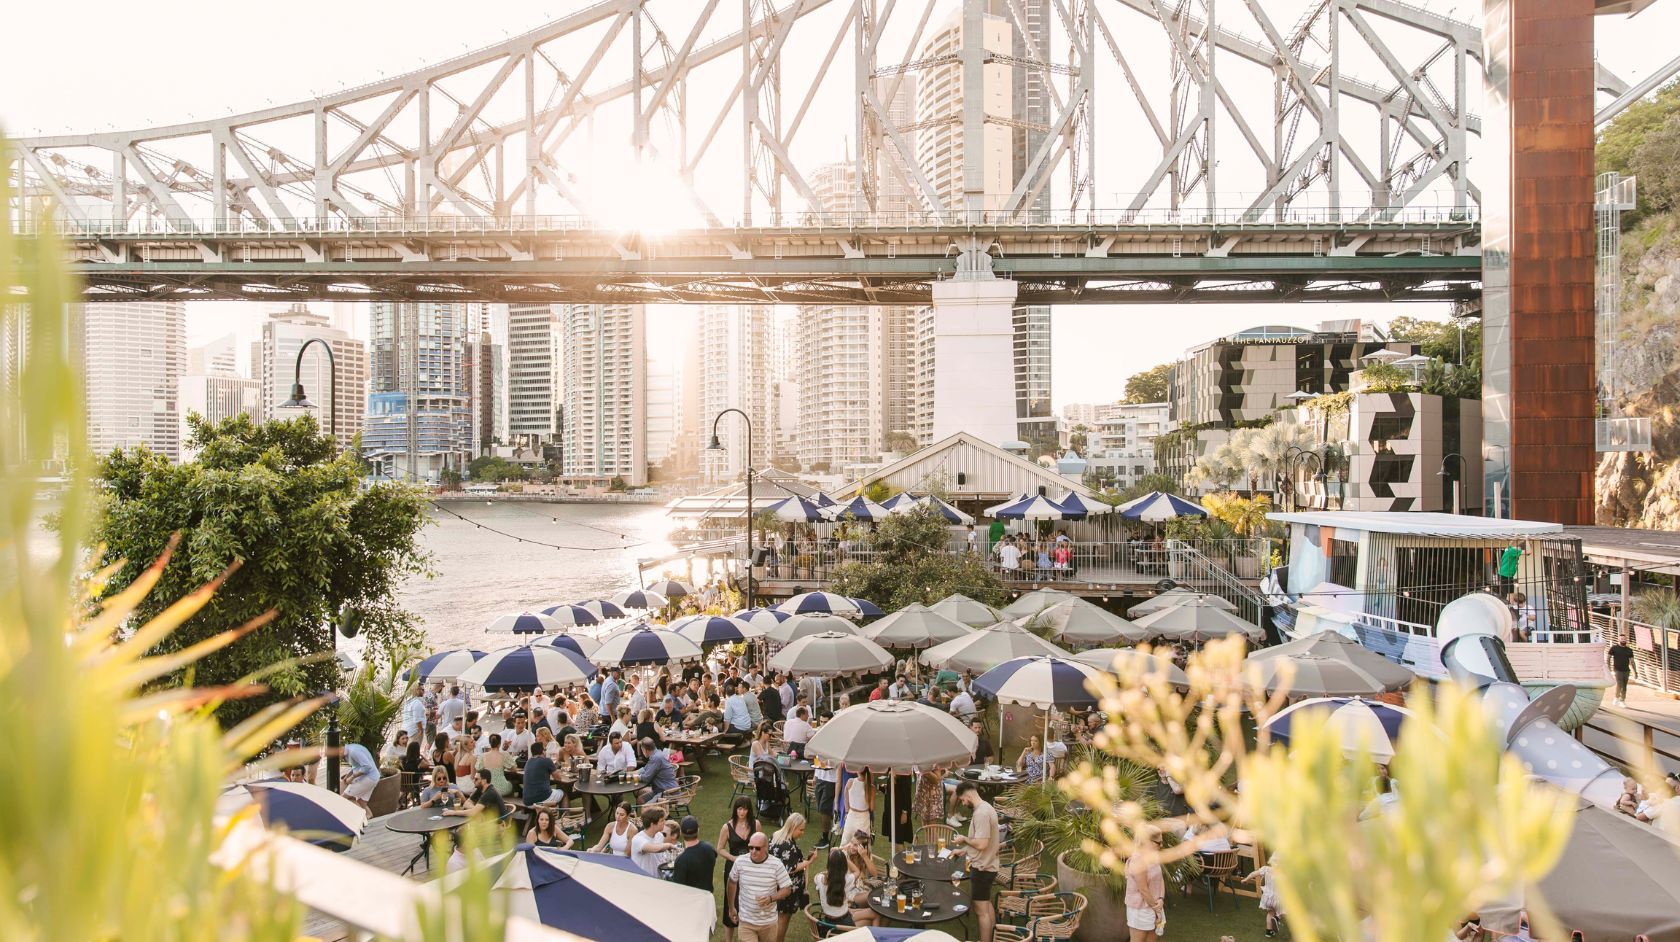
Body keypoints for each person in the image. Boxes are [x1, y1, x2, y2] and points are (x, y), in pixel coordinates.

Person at [950, 781, 999, 942]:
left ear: (969, 795)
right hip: (990, 863)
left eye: (963, 800)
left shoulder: (981, 814)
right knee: (986, 904)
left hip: (983, 868)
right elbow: (980, 841)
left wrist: (964, 838)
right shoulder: (985, 807)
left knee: (980, 911)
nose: (963, 803)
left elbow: (982, 844)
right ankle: (992, 937)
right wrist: (964, 850)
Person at [727, 832, 794, 942]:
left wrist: (770, 899)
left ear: (766, 848)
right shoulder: (740, 861)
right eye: (750, 847)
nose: (753, 851)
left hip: (768, 923)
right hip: (746, 922)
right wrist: (731, 907)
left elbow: (787, 889)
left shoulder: (776, 864)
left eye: (757, 848)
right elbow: (732, 882)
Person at [768, 814, 814, 941]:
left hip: (775, 884)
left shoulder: (775, 836)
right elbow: (791, 868)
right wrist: (809, 862)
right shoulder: (788, 845)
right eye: (801, 829)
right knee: (783, 918)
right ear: (793, 827)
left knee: (777, 917)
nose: (802, 833)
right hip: (787, 888)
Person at [719, 798, 760, 942]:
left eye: (745, 809)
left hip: (751, 867)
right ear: (735, 809)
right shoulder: (727, 827)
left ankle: (748, 936)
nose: (742, 812)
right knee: (731, 900)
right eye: (739, 809)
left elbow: (760, 845)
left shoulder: (756, 824)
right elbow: (720, 849)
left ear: (749, 810)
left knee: (750, 899)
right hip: (733, 867)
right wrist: (734, 858)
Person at [1124, 826, 1167, 942]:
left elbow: (1160, 878)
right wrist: (1156, 909)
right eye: (1159, 842)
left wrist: (1161, 899)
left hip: (1155, 904)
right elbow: (1143, 889)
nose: (1161, 845)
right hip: (1140, 909)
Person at [814, 847, 875, 928]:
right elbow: (857, 871)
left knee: (869, 913)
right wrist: (845, 858)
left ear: (829, 864)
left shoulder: (819, 878)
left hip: (827, 923)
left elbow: (819, 878)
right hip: (844, 925)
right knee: (871, 919)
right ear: (844, 865)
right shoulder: (846, 880)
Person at [670, 814, 719, 892]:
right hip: (707, 897)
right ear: (698, 830)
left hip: (691, 901)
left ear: (681, 832)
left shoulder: (681, 860)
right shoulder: (710, 848)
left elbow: (677, 888)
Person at [630, 806, 679, 876]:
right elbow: (654, 849)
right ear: (652, 824)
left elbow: (659, 857)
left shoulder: (660, 835)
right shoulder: (638, 839)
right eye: (662, 820)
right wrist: (669, 845)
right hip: (642, 880)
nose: (664, 823)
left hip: (657, 879)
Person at [636, 737, 678, 803]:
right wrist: (632, 773)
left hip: (667, 792)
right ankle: (659, 812)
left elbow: (646, 778)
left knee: (646, 808)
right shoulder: (657, 753)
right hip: (661, 790)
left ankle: (658, 811)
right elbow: (645, 769)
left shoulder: (656, 758)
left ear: (644, 749)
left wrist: (635, 777)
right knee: (640, 800)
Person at [341, 742, 381, 810]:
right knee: (361, 802)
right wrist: (348, 775)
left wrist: (352, 777)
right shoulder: (350, 750)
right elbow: (356, 766)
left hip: (368, 778)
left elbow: (367, 767)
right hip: (373, 777)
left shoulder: (354, 751)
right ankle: (369, 816)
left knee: (344, 798)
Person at [841, 769, 874, 849]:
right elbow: (872, 807)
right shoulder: (871, 787)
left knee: (845, 843)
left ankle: (843, 860)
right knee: (863, 845)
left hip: (851, 814)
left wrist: (847, 811)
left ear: (858, 771)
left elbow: (846, 799)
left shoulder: (850, 782)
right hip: (863, 817)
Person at [1608, 639, 1634, 706]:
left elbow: (1632, 661)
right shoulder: (1614, 648)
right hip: (1617, 670)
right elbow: (1608, 657)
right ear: (1619, 640)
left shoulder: (1629, 650)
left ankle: (1622, 700)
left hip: (1626, 670)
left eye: (1624, 639)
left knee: (1624, 686)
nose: (1623, 640)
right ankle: (1616, 698)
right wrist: (1609, 667)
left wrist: (1635, 672)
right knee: (1620, 684)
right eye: (1622, 639)